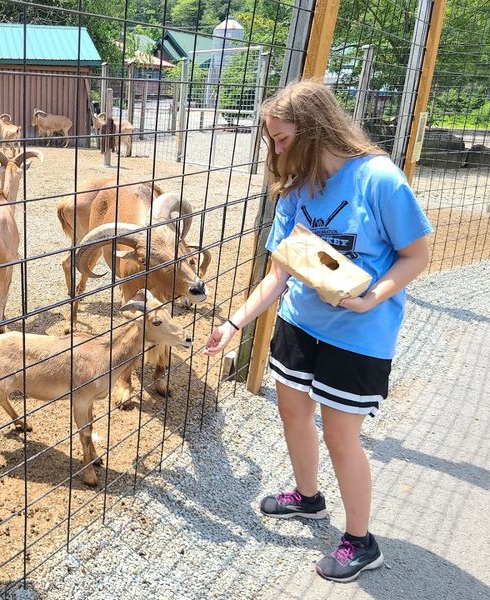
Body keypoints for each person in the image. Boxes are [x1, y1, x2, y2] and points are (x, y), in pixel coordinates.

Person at [203, 80, 432, 582]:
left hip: (359, 333)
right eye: (273, 140)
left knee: (341, 436)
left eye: (282, 139)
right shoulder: (297, 187)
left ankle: (360, 539)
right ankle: (308, 499)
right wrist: (233, 323)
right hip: (300, 322)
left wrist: (372, 296)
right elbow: (278, 273)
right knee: (292, 412)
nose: (276, 149)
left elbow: (417, 255)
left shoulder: (378, 179)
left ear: (313, 130)